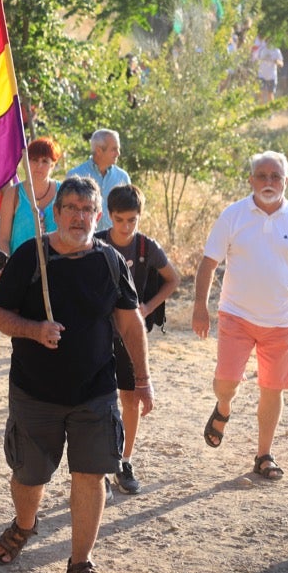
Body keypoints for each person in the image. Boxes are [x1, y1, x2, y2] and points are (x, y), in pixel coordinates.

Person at [0, 177, 154, 573]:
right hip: (34, 391)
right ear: (56, 213)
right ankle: (25, 525)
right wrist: (33, 329)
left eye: (87, 209)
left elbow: (131, 324)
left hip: (95, 391)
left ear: (97, 216)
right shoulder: (31, 257)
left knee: (91, 474)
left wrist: (143, 379)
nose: (79, 216)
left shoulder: (111, 262)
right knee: (29, 477)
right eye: (71, 208)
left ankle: (80, 562)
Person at [192, 150, 288, 482]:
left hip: (281, 321)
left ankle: (263, 455)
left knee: (272, 389)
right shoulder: (233, 215)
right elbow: (209, 263)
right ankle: (223, 407)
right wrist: (200, 307)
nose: (269, 182)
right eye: (262, 176)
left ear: (286, 181)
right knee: (227, 382)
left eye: (275, 176)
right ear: (250, 179)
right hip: (236, 314)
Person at [96, 184, 179, 495]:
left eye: (132, 220)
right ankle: (100, 465)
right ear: (109, 216)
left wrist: (146, 307)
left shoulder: (147, 248)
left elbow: (173, 279)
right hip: (99, 335)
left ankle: (124, 462)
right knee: (100, 402)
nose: (126, 227)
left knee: (130, 399)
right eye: (120, 220)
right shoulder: (96, 242)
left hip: (131, 336)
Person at [0, 137, 62, 255]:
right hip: (20, 266)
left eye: (45, 161)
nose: (39, 165)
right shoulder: (13, 194)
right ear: (26, 162)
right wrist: (7, 265)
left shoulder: (63, 192)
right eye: (34, 160)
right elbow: (3, 239)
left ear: (52, 165)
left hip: (56, 266)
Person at [67, 129, 131, 231]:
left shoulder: (123, 177)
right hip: (83, 241)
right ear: (99, 151)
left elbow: (129, 212)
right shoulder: (75, 175)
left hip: (113, 242)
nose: (118, 153)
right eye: (114, 149)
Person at [253, 38, 283, 104]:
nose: (269, 42)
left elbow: (281, 63)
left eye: (271, 41)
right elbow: (255, 59)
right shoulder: (261, 50)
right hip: (261, 75)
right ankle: (260, 111)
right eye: (268, 41)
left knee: (270, 94)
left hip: (272, 76)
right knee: (260, 94)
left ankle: (270, 111)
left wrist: (277, 61)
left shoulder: (276, 51)